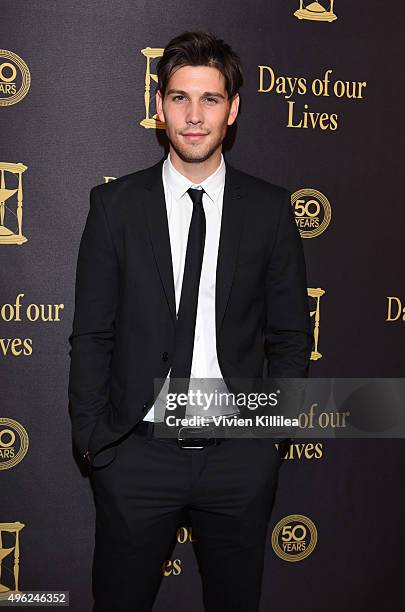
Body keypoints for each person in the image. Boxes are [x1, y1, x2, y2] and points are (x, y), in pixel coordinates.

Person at [68, 30, 312, 612]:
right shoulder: (115, 208)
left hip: (237, 457)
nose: (195, 116)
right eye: (180, 98)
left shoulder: (269, 210)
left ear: (233, 109)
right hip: (136, 456)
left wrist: (269, 436)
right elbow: (91, 334)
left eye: (209, 99)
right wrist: (97, 443)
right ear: (158, 107)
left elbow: (290, 335)